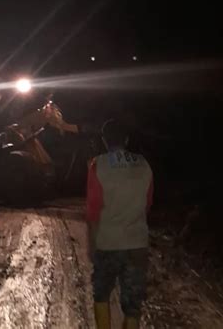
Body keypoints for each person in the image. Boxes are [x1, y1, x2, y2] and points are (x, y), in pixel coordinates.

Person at [87, 119, 153, 329]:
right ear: (126, 139)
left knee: (102, 293)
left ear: (104, 140)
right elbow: (147, 205)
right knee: (133, 303)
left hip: (108, 243)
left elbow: (93, 210)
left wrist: (92, 244)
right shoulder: (144, 165)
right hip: (137, 243)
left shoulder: (98, 165)